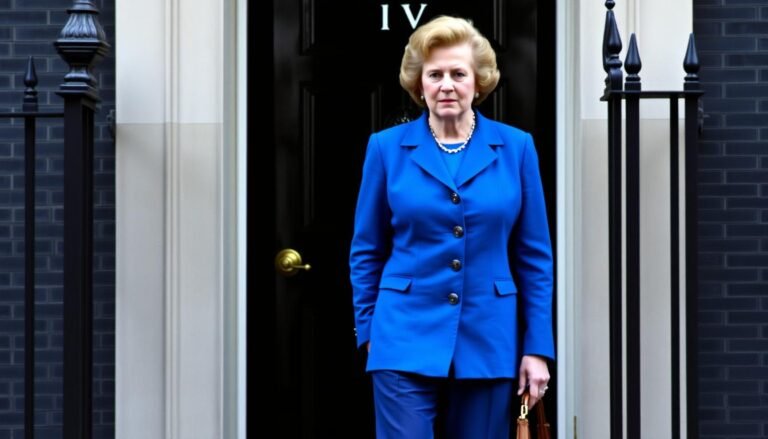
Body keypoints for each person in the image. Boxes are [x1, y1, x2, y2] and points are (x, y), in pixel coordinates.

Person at [349, 15, 554, 438]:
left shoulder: (516, 147)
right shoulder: (386, 149)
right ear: (418, 83)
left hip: (489, 338)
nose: (446, 84)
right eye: (434, 74)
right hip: (402, 334)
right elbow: (367, 249)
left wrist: (537, 348)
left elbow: (534, 258)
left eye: (458, 74)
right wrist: (370, 330)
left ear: (477, 82)